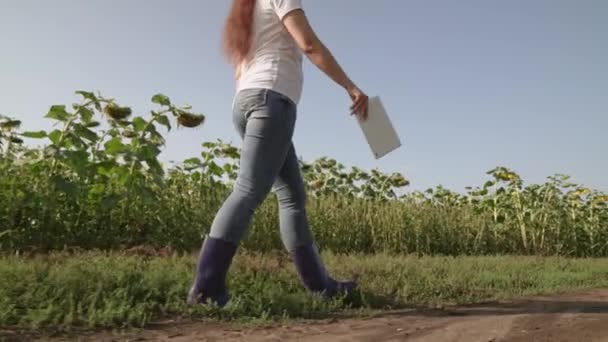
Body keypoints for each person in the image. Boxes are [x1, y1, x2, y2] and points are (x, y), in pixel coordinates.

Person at [187, 0, 369, 307]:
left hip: (247, 101)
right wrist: (351, 87)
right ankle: (205, 290)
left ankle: (321, 287)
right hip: (272, 101)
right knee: (247, 191)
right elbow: (308, 44)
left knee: (292, 196)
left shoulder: (246, 10)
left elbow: (239, 70)